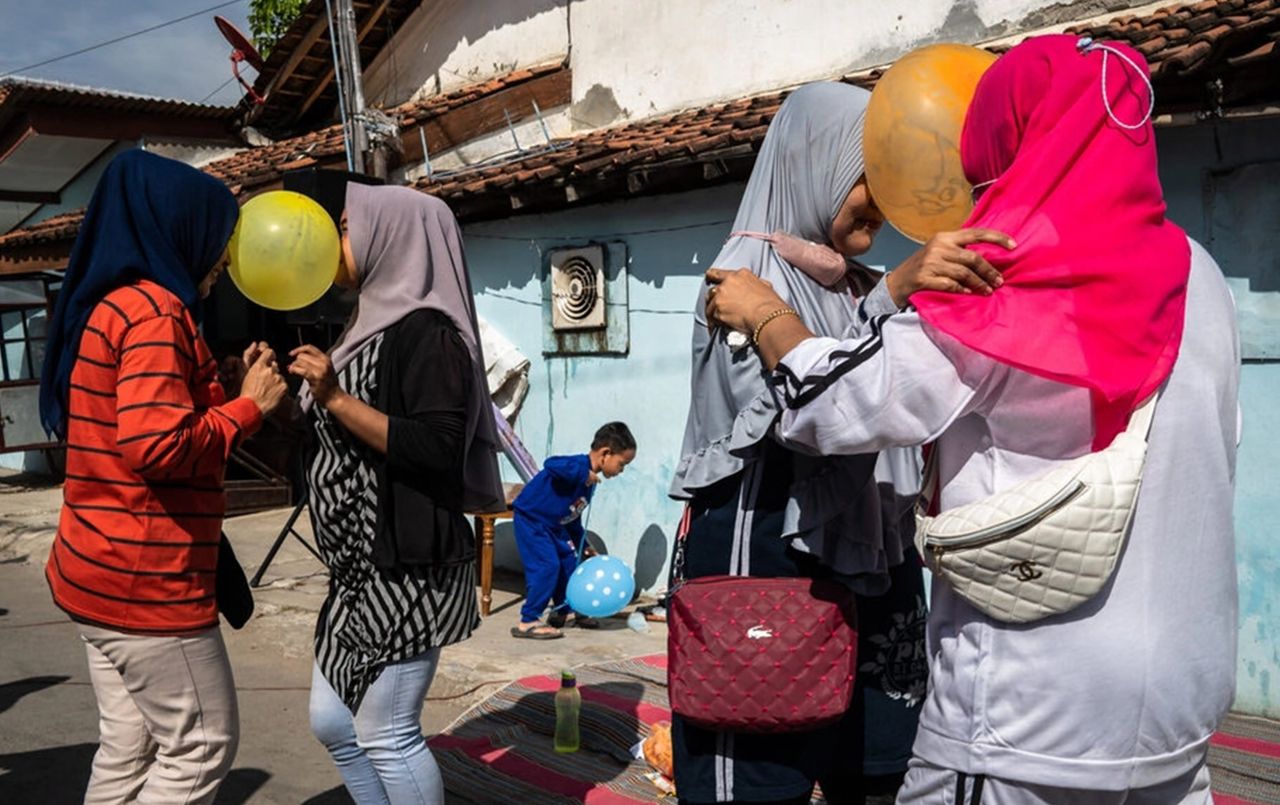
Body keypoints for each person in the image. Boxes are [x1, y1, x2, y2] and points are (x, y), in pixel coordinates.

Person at [703, 35, 1237, 804]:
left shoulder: (1003, 272)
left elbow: (835, 404)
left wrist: (768, 316)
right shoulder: (1202, 275)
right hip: (1177, 726)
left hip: (1025, 719)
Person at [667, 81, 1013, 805]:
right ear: (816, 161)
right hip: (766, 562)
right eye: (869, 175)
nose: (884, 199)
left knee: (883, 774)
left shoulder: (846, 280)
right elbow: (798, 408)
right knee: (756, 777)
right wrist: (893, 298)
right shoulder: (746, 273)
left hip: (873, 567)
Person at [38, 149, 288, 805]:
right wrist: (248, 407)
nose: (222, 261)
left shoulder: (110, 305)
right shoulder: (154, 314)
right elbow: (157, 445)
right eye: (216, 241)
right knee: (200, 749)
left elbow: (139, 423)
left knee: (128, 747)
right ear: (175, 227)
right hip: (145, 584)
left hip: (92, 568)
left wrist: (221, 394)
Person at [291, 183, 503, 805]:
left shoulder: (431, 336)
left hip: (410, 563)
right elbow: (339, 440)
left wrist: (334, 396)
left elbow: (437, 447)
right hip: (359, 567)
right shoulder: (362, 327)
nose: (336, 240)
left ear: (394, 237)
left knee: (386, 731)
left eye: (348, 227)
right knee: (334, 721)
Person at [510, 421, 638, 639]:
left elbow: (572, 518)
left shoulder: (589, 483)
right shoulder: (577, 466)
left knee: (570, 563)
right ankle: (528, 620)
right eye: (621, 464)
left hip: (555, 526)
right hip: (532, 521)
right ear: (606, 453)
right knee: (547, 566)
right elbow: (551, 464)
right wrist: (582, 474)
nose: (621, 470)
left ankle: (563, 612)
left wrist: (585, 546)